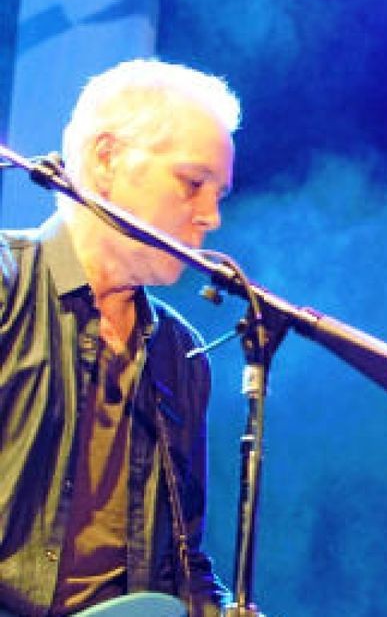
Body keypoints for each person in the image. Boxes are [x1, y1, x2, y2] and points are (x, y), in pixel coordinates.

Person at [0, 59, 240, 616]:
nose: (210, 217)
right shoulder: (8, 288)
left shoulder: (180, 354)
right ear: (106, 161)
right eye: (193, 184)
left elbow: (184, 564)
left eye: (219, 195)